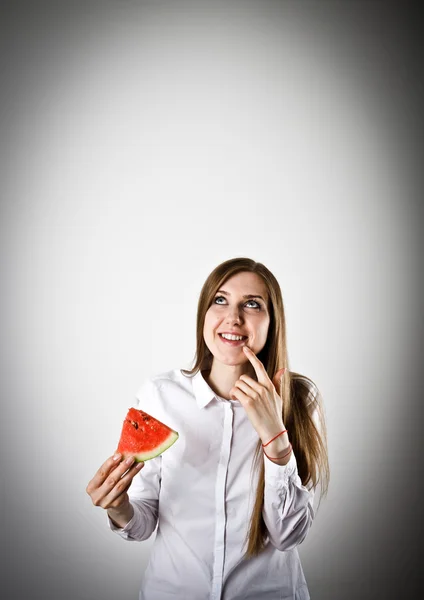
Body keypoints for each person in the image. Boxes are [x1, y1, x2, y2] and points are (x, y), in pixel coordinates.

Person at [86, 257, 329, 600]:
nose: (233, 317)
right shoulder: (161, 396)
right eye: (220, 300)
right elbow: (141, 524)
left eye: (252, 304)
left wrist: (275, 438)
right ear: (204, 314)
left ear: (273, 322)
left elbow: (288, 535)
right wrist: (118, 505)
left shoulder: (300, 400)